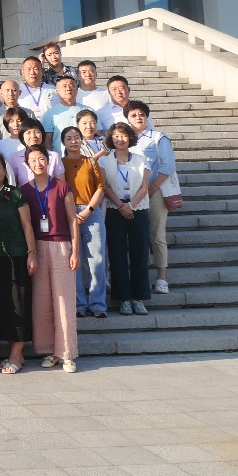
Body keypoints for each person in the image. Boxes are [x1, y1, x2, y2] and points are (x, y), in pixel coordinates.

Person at [22, 145, 80, 371]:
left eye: (41, 159)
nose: (38, 163)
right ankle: (49, 350)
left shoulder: (62, 186)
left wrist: (75, 251)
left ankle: (67, 353)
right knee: (42, 302)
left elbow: (73, 220)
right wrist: (30, 253)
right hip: (36, 247)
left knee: (64, 301)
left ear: (48, 161)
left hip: (61, 245)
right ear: (27, 164)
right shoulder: (24, 190)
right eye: (33, 160)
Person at [0, 153, 36, 374]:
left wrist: (31, 253)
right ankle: (16, 354)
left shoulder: (15, 194)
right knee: (2, 306)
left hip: (17, 256)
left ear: (5, 170)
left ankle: (16, 353)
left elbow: (27, 225)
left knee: (19, 304)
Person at [98, 123, 151, 317]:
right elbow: (104, 186)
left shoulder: (141, 159)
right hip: (115, 210)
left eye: (124, 135)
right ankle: (123, 298)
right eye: (116, 136)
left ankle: (139, 297)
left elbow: (144, 187)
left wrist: (131, 206)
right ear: (111, 138)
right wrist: (121, 206)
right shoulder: (104, 161)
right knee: (117, 254)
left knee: (140, 253)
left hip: (139, 209)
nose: (120, 139)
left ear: (130, 137)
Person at [127, 101, 177, 295]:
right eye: (133, 115)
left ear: (147, 117)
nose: (138, 118)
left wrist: (152, 188)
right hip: (132, 194)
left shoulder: (158, 137)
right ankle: (142, 278)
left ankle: (162, 278)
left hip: (155, 192)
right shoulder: (125, 139)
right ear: (127, 119)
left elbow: (168, 166)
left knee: (156, 234)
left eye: (141, 114)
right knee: (137, 236)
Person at [61, 128, 108, 319]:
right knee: (75, 260)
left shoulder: (90, 161)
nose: (73, 141)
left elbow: (101, 187)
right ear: (63, 142)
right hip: (68, 212)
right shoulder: (60, 164)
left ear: (82, 140)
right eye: (69, 138)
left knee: (97, 259)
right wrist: (72, 212)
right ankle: (79, 303)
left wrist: (88, 210)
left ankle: (98, 303)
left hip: (91, 211)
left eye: (76, 138)